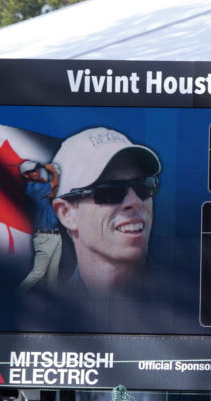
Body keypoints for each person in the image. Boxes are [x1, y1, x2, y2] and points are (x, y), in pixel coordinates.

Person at [50, 127, 161, 296]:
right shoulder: (48, 310)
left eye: (144, 186)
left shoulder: (192, 297)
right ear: (67, 214)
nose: (135, 201)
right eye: (110, 191)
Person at [16, 159, 63, 294]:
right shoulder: (33, 189)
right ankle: (14, 297)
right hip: (44, 237)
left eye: (37, 169)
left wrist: (55, 174)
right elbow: (54, 183)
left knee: (53, 275)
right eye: (32, 171)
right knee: (37, 274)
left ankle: (51, 304)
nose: (36, 172)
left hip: (54, 235)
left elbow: (53, 194)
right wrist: (54, 172)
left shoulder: (38, 189)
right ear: (26, 175)